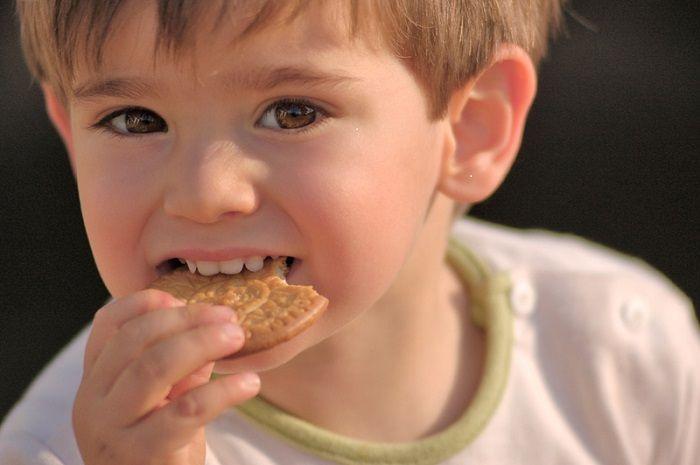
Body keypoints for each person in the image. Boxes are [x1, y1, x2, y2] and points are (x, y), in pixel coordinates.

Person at [2, 0, 697, 464]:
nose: (204, 194)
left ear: (471, 126)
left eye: (292, 113)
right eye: (135, 120)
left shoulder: (622, 353)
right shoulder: (67, 447)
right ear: (71, 136)